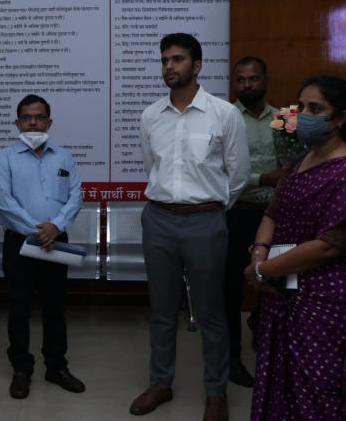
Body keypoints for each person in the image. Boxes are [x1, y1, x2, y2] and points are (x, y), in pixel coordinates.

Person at [247, 76, 346, 421]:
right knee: (281, 384)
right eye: (302, 107)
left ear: (339, 118)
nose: (305, 115)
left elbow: (329, 246)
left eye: (316, 109)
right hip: (281, 293)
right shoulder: (301, 162)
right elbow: (272, 212)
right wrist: (259, 254)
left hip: (324, 300)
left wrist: (264, 271)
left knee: (318, 390)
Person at [130, 33, 250, 421]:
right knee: (162, 310)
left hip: (205, 222)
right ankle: (160, 382)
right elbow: (153, 168)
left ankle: (215, 391)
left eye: (178, 59)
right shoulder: (151, 115)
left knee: (212, 312)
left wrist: (210, 208)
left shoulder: (224, 114)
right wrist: (171, 202)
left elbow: (239, 175)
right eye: (165, 59)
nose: (169, 66)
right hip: (159, 220)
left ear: (197, 66)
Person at [0, 94, 85, 400]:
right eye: (27, 117)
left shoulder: (64, 157)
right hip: (19, 242)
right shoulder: (6, 157)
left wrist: (56, 226)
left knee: (54, 308)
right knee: (18, 309)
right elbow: (4, 202)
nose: (33, 122)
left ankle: (56, 366)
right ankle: (22, 369)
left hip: (56, 242)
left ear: (49, 122)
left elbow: (75, 195)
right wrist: (37, 230)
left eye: (40, 117)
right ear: (17, 123)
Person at [225, 56, 285, 388]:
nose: (248, 85)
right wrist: (266, 178)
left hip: (276, 216)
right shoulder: (225, 119)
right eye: (241, 80)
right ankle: (231, 357)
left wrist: (285, 178)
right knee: (232, 287)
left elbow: (293, 164)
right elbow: (223, 174)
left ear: (265, 80)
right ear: (234, 83)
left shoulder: (284, 119)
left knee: (274, 281)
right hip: (238, 212)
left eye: (254, 79)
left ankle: (264, 335)